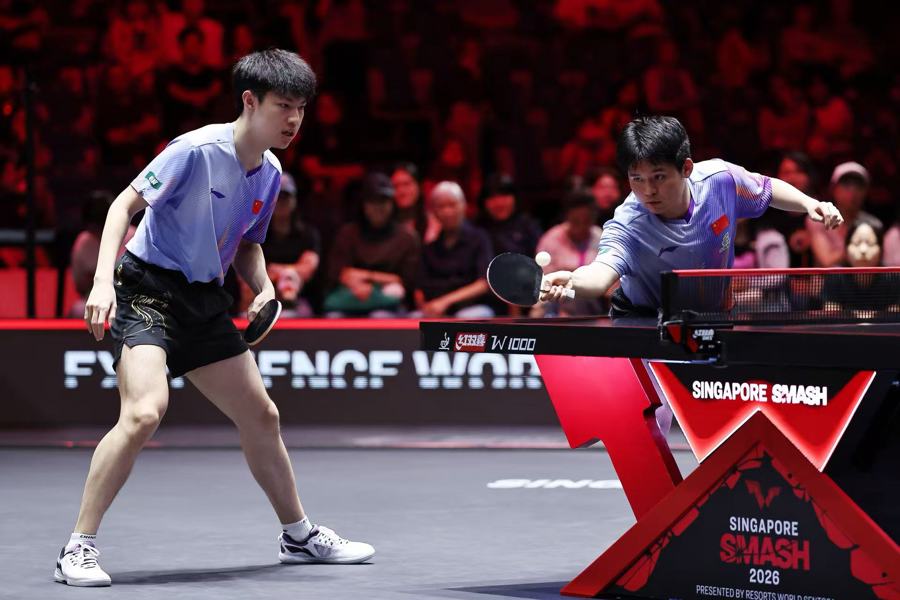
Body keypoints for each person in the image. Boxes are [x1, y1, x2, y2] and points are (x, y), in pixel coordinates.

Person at [60, 49, 374, 588]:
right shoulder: (195, 150)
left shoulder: (269, 172)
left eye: (301, 108)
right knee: (143, 413)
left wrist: (265, 287)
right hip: (148, 291)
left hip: (204, 300)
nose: (294, 119)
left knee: (262, 416)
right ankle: (77, 547)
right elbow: (122, 207)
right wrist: (102, 282)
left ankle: (298, 536)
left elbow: (248, 244)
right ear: (250, 101)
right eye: (283, 106)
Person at [540, 115, 843, 315]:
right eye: (637, 179)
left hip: (714, 315)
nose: (648, 190)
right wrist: (572, 281)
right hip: (644, 322)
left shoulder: (720, 180)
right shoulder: (629, 224)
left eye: (659, 177)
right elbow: (601, 273)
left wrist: (808, 203)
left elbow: (767, 187)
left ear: (686, 168)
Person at [323, 172, 420, 317]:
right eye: (373, 201)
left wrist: (368, 279)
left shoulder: (407, 237)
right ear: (364, 205)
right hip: (350, 296)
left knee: (379, 316)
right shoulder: (347, 234)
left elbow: (407, 281)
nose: (378, 207)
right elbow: (338, 274)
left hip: (390, 304)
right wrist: (358, 285)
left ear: (392, 203)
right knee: (333, 317)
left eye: (383, 201)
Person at [414, 181, 494, 318]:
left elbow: (484, 283)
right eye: (441, 206)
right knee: (412, 319)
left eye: (452, 205)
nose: (447, 211)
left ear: (463, 206)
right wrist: (426, 307)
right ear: (434, 212)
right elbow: (419, 287)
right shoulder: (430, 247)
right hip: (436, 310)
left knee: (465, 318)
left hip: (471, 308)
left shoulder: (479, 238)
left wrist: (445, 302)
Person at [263, 173, 321, 317]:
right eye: (277, 196)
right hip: (263, 298)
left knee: (290, 278)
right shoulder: (257, 233)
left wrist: (279, 271)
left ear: (294, 200)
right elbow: (249, 271)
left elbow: (307, 268)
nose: (281, 202)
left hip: (300, 300)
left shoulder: (308, 234)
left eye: (286, 196)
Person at [807, 161, 878, 267]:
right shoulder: (817, 219)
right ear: (833, 189)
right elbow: (826, 261)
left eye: (859, 185)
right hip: (828, 278)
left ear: (866, 191)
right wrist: (857, 249)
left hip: (861, 277)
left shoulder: (874, 224)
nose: (853, 191)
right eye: (846, 184)